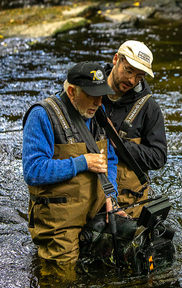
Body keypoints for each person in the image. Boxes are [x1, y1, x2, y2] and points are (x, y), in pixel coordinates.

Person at [22, 61, 123, 265]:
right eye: (92, 96)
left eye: (101, 95)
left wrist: (110, 196)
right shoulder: (42, 115)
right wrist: (82, 162)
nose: (99, 102)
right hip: (59, 221)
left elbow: (110, 159)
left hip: (95, 211)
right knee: (62, 280)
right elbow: (33, 171)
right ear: (71, 91)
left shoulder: (99, 115)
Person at [102, 40, 167, 218]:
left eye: (139, 76)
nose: (132, 80)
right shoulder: (91, 91)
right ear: (116, 59)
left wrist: (120, 145)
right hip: (88, 196)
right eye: (128, 70)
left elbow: (158, 157)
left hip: (128, 205)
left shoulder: (149, 107)